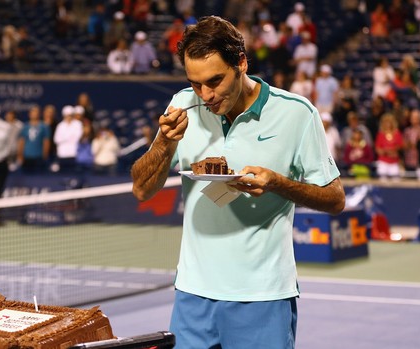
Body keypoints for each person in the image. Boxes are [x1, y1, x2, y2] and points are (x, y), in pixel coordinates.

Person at [131, 16, 345, 349]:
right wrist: (164, 143)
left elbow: (335, 199)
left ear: (241, 63)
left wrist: (277, 184)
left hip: (263, 298)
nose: (206, 94)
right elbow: (142, 189)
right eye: (195, 83)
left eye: (215, 81)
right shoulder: (182, 105)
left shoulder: (297, 113)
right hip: (192, 296)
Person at [18, 105, 51, 174]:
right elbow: (21, 141)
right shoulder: (25, 126)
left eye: (36, 112)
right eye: (33, 112)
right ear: (29, 114)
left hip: (39, 157)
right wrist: (20, 155)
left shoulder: (44, 126)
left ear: (39, 114)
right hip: (27, 157)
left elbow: (46, 141)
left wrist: (45, 155)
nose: (34, 114)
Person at [53, 105, 83, 174]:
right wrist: (70, 137)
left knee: (74, 174)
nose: (68, 117)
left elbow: (77, 138)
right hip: (62, 155)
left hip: (74, 154)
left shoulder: (78, 124)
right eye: (67, 115)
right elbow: (56, 139)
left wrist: (64, 138)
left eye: (70, 115)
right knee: (63, 174)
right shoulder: (60, 125)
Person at [375, 113, 404, 181]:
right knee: (383, 181)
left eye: (389, 122)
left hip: (394, 161)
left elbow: (400, 146)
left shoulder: (397, 133)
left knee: (396, 181)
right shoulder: (380, 134)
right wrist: (386, 151)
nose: (387, 124)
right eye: (386, 122)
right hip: (383, 162)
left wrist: (393, 150)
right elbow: (378, 148)